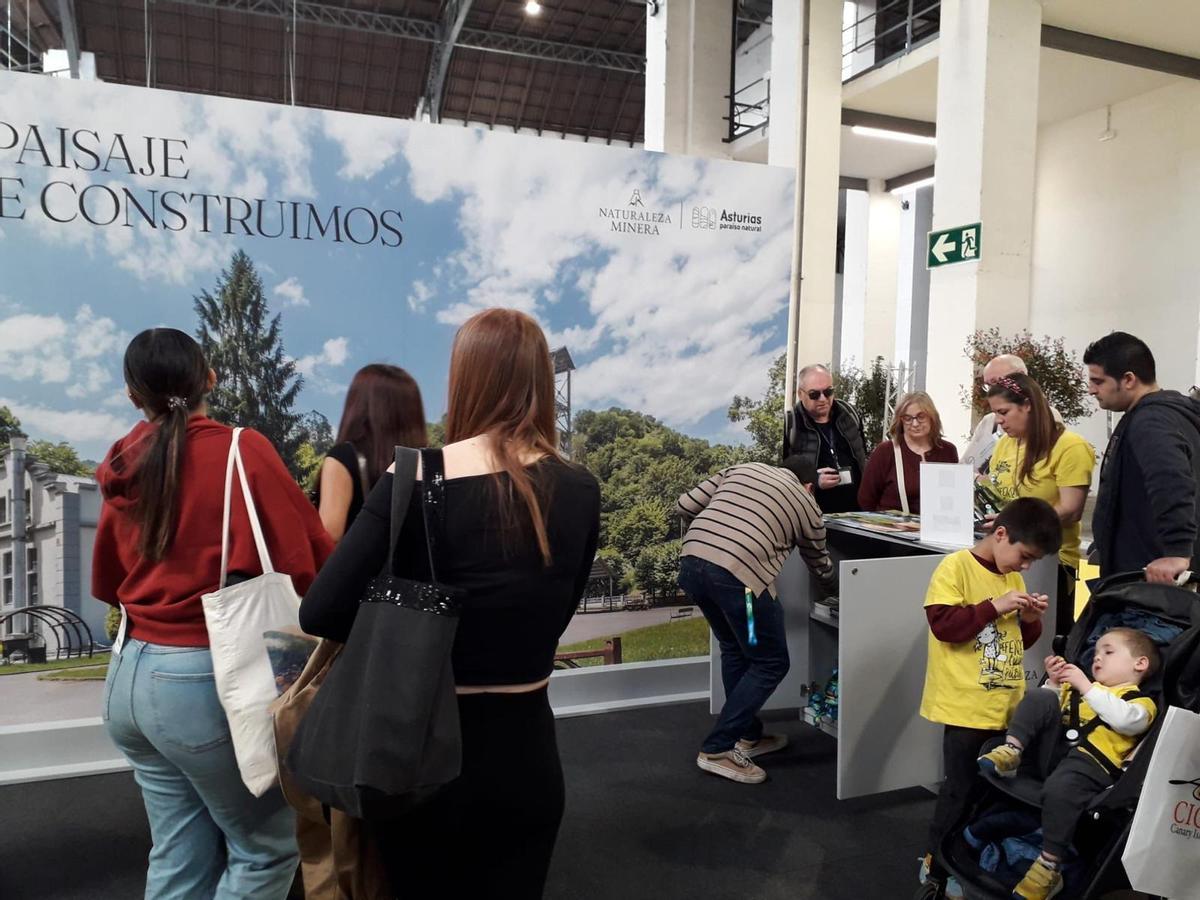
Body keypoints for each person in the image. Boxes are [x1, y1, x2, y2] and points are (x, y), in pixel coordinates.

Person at [297, 308, 600, 899]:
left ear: (464, 379)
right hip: (529, 753)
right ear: (541, 378)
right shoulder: (581, 488)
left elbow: (320, 612)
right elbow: (558, 613)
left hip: (419, 751)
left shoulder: (413, 476)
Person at [91, 328, 334, 900]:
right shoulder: (238, 449)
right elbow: (309, 561)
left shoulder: (125, 463)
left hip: (129, 678)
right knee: (266, 848)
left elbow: (106, 580)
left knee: (179, 850)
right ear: (210, 377)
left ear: (133, 397)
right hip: (205, 683)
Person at [917, 497, 1062, 900]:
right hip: (966, 707)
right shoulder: (955, 567)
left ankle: (967, 859)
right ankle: (936, 864)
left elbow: (1020, 638)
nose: (1027, 567)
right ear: (1000, 534)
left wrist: (1031, 618)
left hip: (1005, 705)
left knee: (990, 793)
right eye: (1025, 556)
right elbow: (944, 625)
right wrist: (993, 605)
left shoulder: (1011, 576)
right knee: (959, 790)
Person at [677, 457, 836, 785]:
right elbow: (819, 564)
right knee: (771, 663)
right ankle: (719, 748)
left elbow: (684, 504)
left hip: (692, 565)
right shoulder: (806, 502)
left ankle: (746, 735)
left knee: (736, 649)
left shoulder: (742, 468)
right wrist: (841, 592)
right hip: (740, 584)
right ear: (809, 485)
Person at [978, 628, 1159, 900]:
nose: (1097, 658)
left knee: (1062, 787)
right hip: (1050, 755)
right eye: (1096, 653)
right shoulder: (1077, 689)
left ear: (1140, 663)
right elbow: (1043, 711)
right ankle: (1012, 750)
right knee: (1040, 697)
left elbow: (1126, 721)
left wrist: (1086, 686)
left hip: (1089, 767)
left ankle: (1049, 865)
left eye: (1108, 652)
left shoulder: (1139, 702)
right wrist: (1053, 682)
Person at [983, 373, 1094, 634]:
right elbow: (997, 491)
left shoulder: (1070, 447)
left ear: (1027, 405)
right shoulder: (1005, 445)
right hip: (1003, 556)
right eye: (995, 414)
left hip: (1049, 561)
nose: (999, 421)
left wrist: (1016, 524)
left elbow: (1071, 509)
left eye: (1004, 412)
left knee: (1044, 637)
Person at [1085, 331, 1200, 583]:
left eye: (1098, 381)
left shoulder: (1151, 421)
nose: (1091, 390)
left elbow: (1171, 479)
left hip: (1153, 581)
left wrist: (1177, 552)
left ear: (1128, 379)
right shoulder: (1170, 415)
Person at [316, 363, 427, 541]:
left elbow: (329, 534)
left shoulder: (344, 457)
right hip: (417, 568)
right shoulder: (428, 464)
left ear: (358, 406)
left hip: (360, 567)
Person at [782, 363, 868, 513]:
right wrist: (814, 479)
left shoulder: (850, 414)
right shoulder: (791, 423)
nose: (823, 399)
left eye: (828, 392)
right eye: (814, 394)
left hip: (857, 513)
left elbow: (863, 457)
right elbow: (781, 473)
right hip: (814, 515)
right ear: (800, 394)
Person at [858, 391, 959, 513]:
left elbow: (954, 496)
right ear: (900, 420)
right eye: (908, 418)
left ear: (932, 417)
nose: (915, 423)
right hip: (892, 529)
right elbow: (866, 499)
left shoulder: (948, 451)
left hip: (937, 528)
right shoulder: (885, 452)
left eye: (921, 416)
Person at [961, 354, 1062, 473]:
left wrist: (984, 480)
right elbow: (965, 466)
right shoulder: (988, 421)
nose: (992, 390)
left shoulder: (1047, 417)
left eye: (996, 382)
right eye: (987, 385)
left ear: (1021, 376)